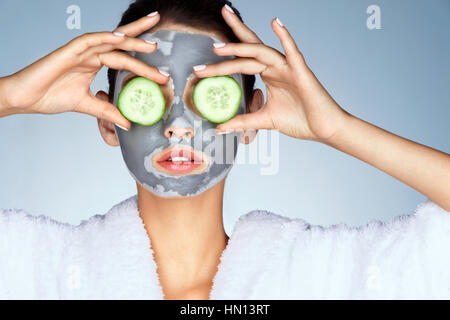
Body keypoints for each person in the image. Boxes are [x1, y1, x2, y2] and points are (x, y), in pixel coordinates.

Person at [0, 0, 449, 300]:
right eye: (147, 93)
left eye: (210, 94)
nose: (177, 127)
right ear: (106, 119)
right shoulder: (33, 269)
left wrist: (338, 128)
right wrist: (13, 95)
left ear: (254, 117)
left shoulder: (324, 277)